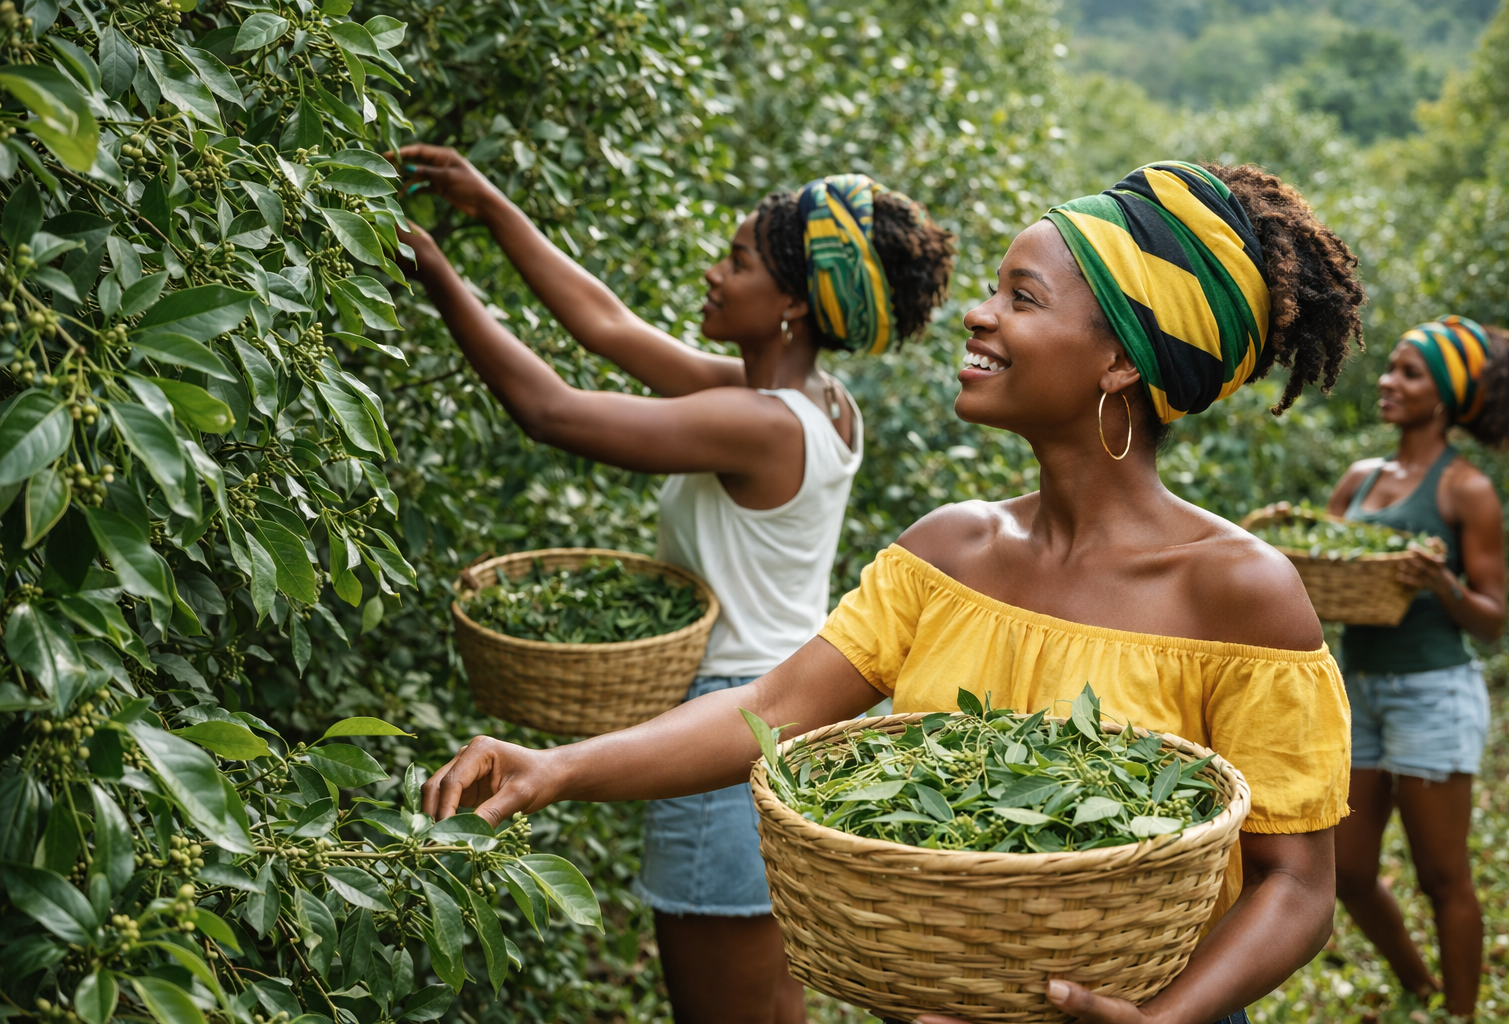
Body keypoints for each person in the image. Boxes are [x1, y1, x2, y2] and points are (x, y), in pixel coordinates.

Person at [420, 161, 1368, 1024]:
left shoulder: (1240, 593)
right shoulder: (950, 550)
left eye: (1022, 298)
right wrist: (557, 768)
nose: (979, 314)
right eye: (993, 288)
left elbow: (1296, 885)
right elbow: (772, 707)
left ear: (1120, 361)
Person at [392, 145, 955, 1024]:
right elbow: (610, 328)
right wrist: (490, 205)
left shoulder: (759, 423)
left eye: (736, 262)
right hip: (793, 726)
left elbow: (551, 410)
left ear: (793, 307)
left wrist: (432, 268)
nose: (713, 273)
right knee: (770, 1004)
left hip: (726, 736)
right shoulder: (818, 404)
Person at [1325, 316, 1509, 1019]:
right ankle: (1421, 988)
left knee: (1443, 876)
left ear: (1442, 397)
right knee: (1347, 871)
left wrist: (1441, 585)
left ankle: (1462, 1014)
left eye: (1409, 373)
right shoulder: (1358, 480)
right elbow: (1319, 571)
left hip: (1431, 693)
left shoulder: (1465, 489)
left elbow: (1493, 617)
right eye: (1391, 367)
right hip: (1357, 690)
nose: (1387, 381)